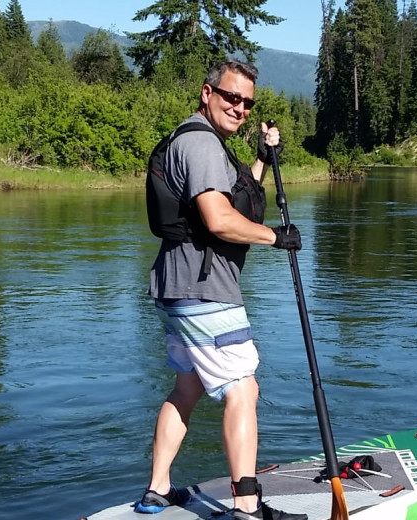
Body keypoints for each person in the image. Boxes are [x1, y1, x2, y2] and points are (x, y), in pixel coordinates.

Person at [136, 59, 307, 520]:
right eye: (231, 97)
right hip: (205, 290)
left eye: (247, 102)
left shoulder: (194, 140)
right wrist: (277, 236)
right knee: (243, 388)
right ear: (206, 93)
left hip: (176, 288)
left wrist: (263, 158)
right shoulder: (201, 144)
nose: (239, 107)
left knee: (187, 386)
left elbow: (237, 195)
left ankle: (157, 490)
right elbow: (219, 219)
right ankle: (247, 508)